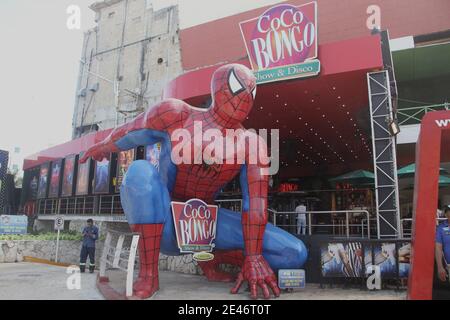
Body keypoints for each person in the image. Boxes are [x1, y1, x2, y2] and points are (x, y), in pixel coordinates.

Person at [435, 206, 450, 282]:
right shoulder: (441, 228)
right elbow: (438, 248)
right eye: (448, 212)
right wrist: (440, 267)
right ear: (446, 214)